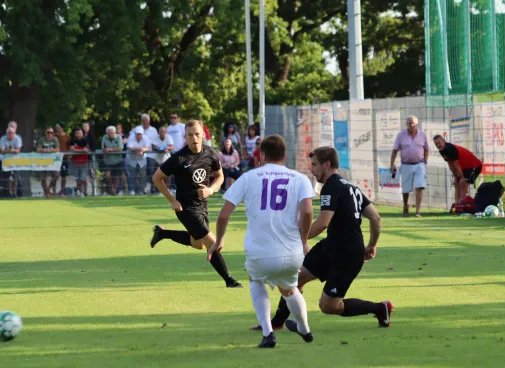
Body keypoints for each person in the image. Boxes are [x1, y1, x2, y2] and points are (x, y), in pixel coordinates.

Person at [255, 146, 393, 332]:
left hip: (347, 254)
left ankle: (380, 308)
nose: (311, 170)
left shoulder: (331, 187)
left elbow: (322, 223)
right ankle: (276, 323)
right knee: (294, 279)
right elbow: (375, 218)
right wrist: (371, 245)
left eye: (314, 165)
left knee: (328, 306)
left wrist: (297, 239)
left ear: (327, 165)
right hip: (331, 247)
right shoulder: (350, 187)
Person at [208, 135, 314, 348]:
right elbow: (308, 212)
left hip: (260, 251)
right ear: (284, 155)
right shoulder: (300, 178)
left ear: (262, 155)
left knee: (256, 280)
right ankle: (304, 328)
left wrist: (218, 240)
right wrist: (303, 240)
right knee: (290, 288)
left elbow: (223, 215)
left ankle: (268, 333)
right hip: (292, 251)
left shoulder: (249, 177)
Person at [150, 120, 242, 288]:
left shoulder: (210, 153)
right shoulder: (179, 158)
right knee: (212, 243)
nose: (194, 138)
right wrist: (172, 200)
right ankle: (229, 280)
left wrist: (210, 190)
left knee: (197, 244)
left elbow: (220, 176)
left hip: (202, 206)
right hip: (185, 208)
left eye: (197, 134)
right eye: (190, 135)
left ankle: (162, 234)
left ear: (203, 135)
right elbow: (157, 178)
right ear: (185, 137)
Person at [390, 116, 429, 217]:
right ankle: (405, 205)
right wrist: (392, 164)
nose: (411, 125)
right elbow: (395, 150)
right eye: (409, 123)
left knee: (420, 186)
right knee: (406, 189)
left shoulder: (423, 135)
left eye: (413, 124)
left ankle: (417, 211)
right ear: (406, 124)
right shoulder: (401, 135)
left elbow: (426, 149)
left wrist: (425, 161)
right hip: (406, 165)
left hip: (419, 164)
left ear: (417, 124)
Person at [433, 135, 483, 202]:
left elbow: (456, 165)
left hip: (474, 166)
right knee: (457, 184)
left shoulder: (450, 149)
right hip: (464, 167)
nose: (438, 145)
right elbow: (450, 165)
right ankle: (457, 205)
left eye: (439, 143)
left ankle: (463, 204)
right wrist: (456, 177)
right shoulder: (442, 151)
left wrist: (461, 178)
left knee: (463, 184)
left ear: (444, 141)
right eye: (436, 144)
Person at [36, 126, 60, 197]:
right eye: (48, 132)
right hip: (43, 161)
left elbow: (57, 149)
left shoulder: (55, 139)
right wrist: (50, 150)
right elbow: (38, 150)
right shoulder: (42, 139)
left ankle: (49, 189)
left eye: (51, 132)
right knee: (43, 178)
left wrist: (45, 150)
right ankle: (47, 193)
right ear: (45, 133)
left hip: (53, 161)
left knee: (56, 175)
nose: (50, 134)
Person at [101, 126, 124, 195]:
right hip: (108, 161)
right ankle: (111, 189)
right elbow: (103, 148)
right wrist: (106, 150)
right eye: (109, 133)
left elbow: (120, 149)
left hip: (118, 161)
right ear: (107, 133)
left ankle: (113, 191)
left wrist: (111, 150)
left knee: (116, 177)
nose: (110, 134)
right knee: (107, 175)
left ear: (114, 132)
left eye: (112, 133)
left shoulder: (119, 138)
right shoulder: (104, 137)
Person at [0, 127, 23, 197]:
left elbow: (18, 150)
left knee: (15, 176)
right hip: (5, 161)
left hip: (15, 160)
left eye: (12, 133)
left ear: (14, 133)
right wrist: (8, 151)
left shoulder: (17, 139)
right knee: (9, 176)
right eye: (9, 133)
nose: (10, 134)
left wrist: (13, 151)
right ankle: (9, 192)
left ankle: (14, 192)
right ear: (6, 134)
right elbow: (2, 151)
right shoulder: (3, 139)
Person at [70, 128, 90, 197]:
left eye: (80, 133)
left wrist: (77, 149)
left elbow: (87, 150)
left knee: (83, 178)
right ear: (75, 134)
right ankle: (81, 193)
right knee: (77, 178)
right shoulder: (72, 140)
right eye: (77, 133)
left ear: (82, 134)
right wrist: (82, 150)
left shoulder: (85, 140)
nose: (79, 134)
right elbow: (72, 149)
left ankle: (75, 189)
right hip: (75, 162)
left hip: (84, 162)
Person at [55, 123, 71, 197]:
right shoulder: (54, 136)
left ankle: (62, 191)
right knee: (56, 175)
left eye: (58, 128)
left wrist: (69, 155)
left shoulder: (67, 136)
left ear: (62, 128)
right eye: (56, 128)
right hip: (56, 158)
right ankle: (52, 191)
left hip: (65, 158)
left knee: (64, 176)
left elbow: (70, 146)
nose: (57, 129)